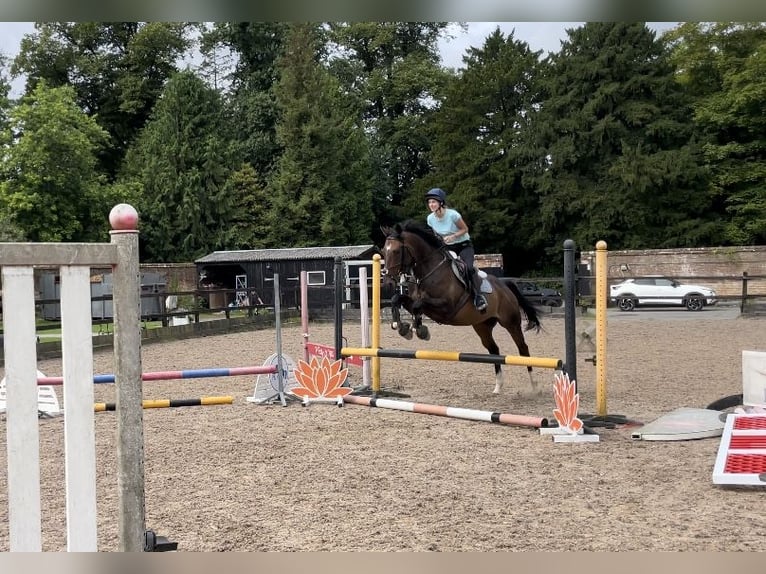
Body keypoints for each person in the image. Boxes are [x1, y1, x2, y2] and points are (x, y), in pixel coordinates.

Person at [424, 188, 488, 312]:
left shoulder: (453, 215)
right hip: (448, 247)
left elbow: (465, 229)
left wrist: (453, 236)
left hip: (463, 245)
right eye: (429, 202)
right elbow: (436, 234)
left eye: (434, 202)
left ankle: (478, 296)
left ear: (441, 203)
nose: (431, 205)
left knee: (468, 268)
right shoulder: (430, 219)